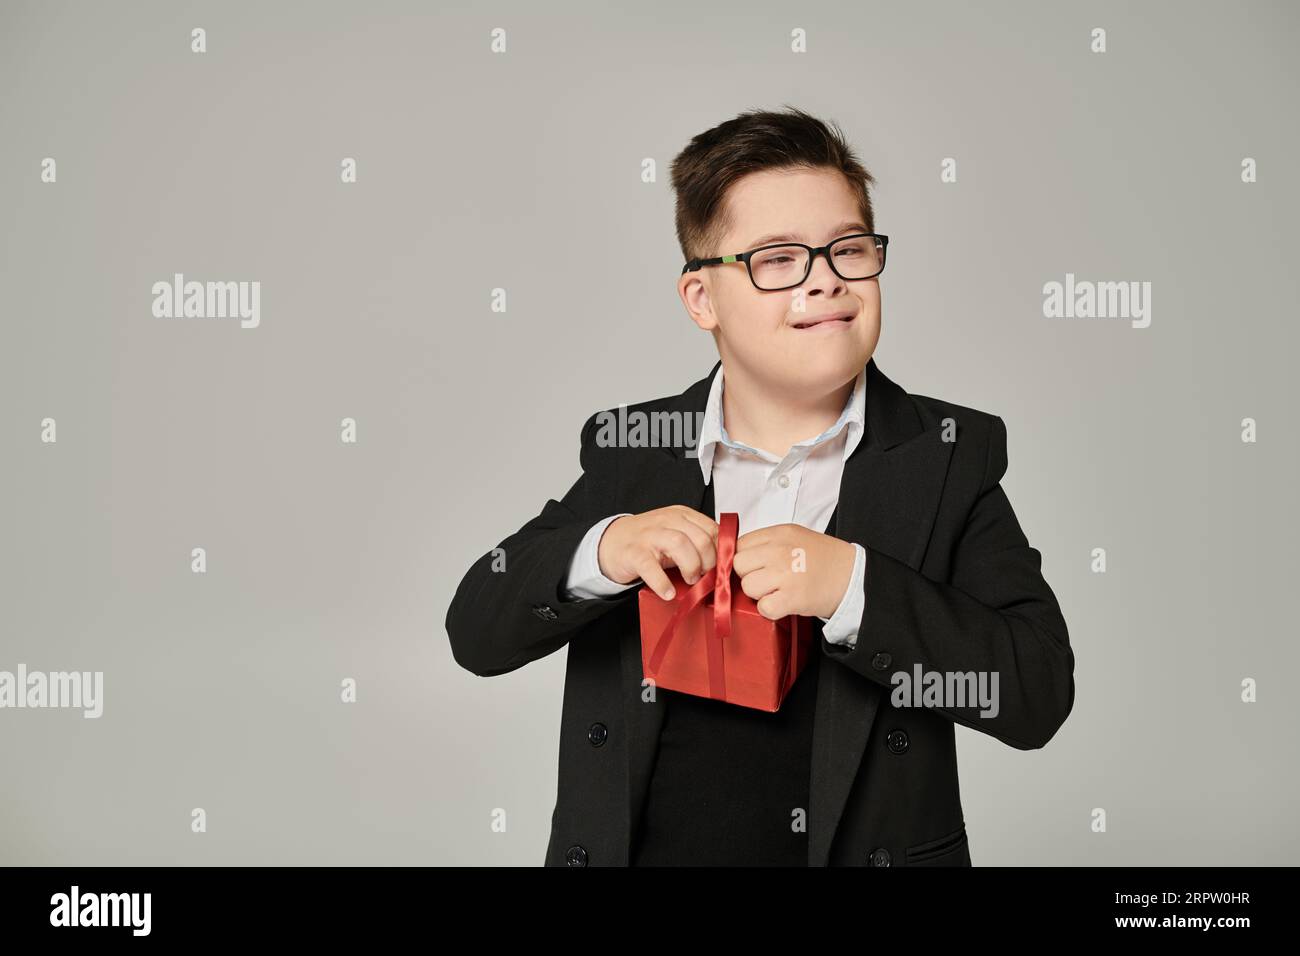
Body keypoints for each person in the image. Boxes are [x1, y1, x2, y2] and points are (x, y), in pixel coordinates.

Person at [445, 106, 1075, 866]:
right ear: (702, 299)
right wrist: (605, 549)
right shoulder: (631, 450)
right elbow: (476, 633)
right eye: (778, 260)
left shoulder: (946, 456)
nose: (827, 282)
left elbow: (1035, 694)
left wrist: (854, 588)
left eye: (849, 249)